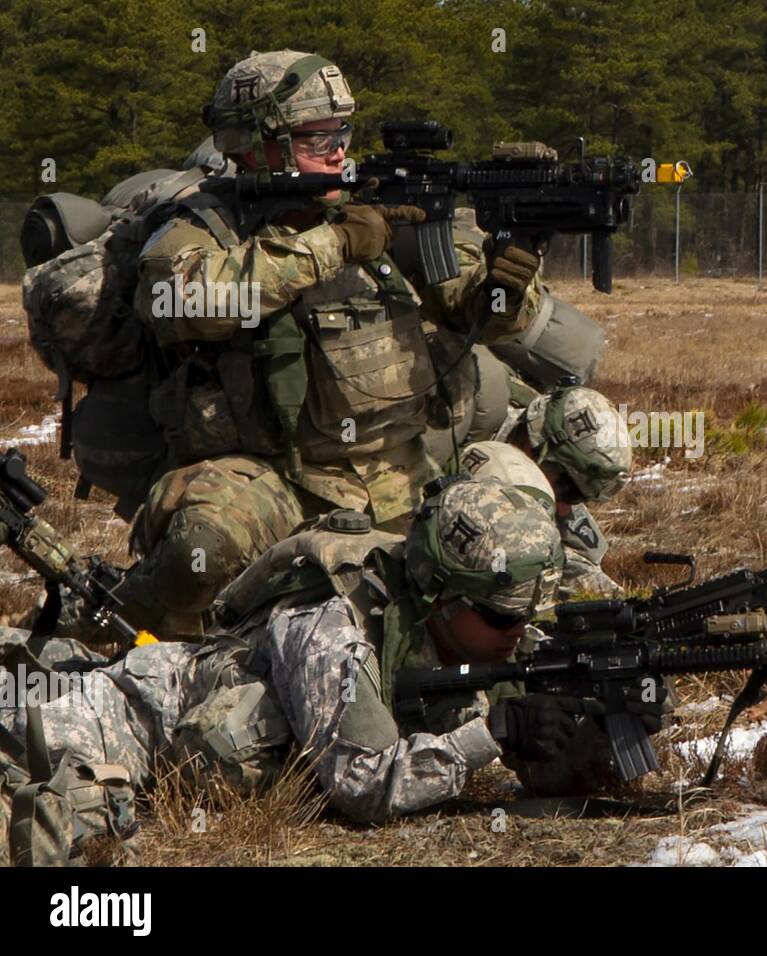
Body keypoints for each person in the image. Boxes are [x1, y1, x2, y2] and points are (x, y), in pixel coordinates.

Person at [0, 476, 662, 866]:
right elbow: (361, 784)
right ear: (440, 593)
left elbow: (550, 761)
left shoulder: (484, 634)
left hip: (164, 772)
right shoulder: (332, 621)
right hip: (119, 725)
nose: (517, 632)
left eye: (524, 614)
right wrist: (490, 735)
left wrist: (597, 719)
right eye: (498, 615)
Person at [111, 49, 544, 638]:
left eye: (342, 132)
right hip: (275, 482)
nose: (338, 150)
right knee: (204, 547)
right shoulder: (206, 224)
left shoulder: (384, 203)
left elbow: (484, 316)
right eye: (316, 138)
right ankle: (122, 637)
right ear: (253, 144)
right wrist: (335, 244)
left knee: (512, 554)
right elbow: (183, 302)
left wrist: (507, 282)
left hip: (404, 473)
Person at [495, 384, 633, 599]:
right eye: (568, 492)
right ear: (536, 450)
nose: (564, 508)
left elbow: (572, 562)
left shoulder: (546, 475)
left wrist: (624, 607)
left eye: (579, 498)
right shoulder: (459, 446)